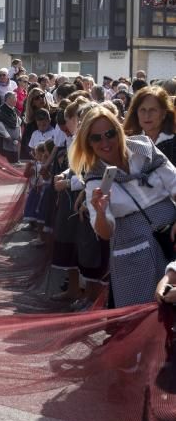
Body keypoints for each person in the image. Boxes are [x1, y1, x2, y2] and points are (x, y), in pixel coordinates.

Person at [69, 106, 176, 308]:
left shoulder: (144, 147)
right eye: (96, 138)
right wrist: (100, 212)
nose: (105, 142)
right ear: (88, 143)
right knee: (140, 315)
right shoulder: (94, 178)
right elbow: (105, 232)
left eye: (110, 133)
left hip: (171, 236)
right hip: (132, 248)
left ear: (118, 130)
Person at [124, 85, 176, 164]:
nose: (147, 115)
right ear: (136, 113)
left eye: (153, 110)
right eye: (143, 110)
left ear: (164, 114)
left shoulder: (173, 143)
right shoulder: (127, 142)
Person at [0, 92, 21, 164]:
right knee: (7, 161)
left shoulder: (14, 109)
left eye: (16, 98)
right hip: (5, 139)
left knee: (15, 160)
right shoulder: (1, 110)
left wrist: (19, 134)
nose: (16, 100)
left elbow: (18, 123)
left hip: (14, 140)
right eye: (14, 98)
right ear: (8, 99)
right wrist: (7, 135)